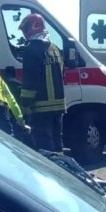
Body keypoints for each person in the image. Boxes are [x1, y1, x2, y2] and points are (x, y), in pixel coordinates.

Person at [18, 13, 66, 152]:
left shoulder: (31, 51)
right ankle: (62, 170)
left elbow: (30, 82)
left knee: (44, 146)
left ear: (31, 29)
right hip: (58, 106)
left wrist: (25, 106)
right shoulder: (54, 49)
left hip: (41, 107)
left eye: (24, 30)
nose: (24, 34)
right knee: (57, 143)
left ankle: (49, 172)